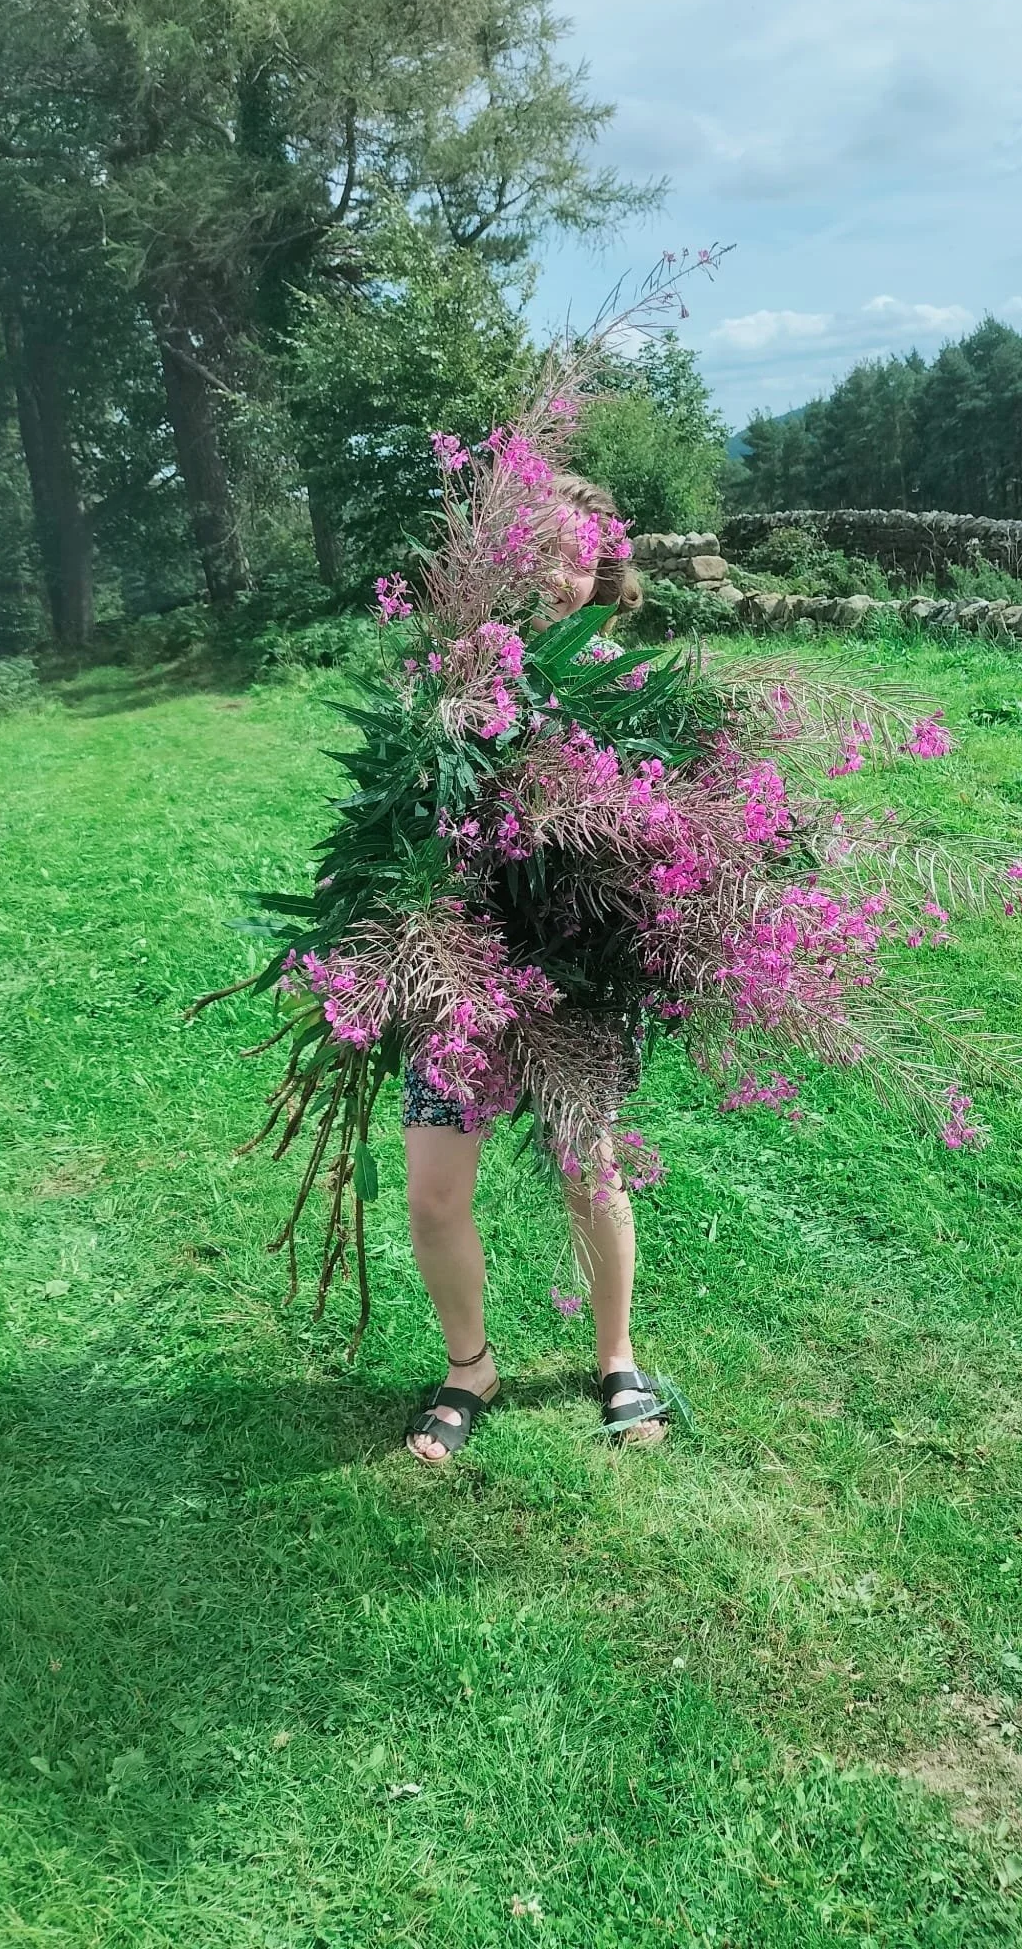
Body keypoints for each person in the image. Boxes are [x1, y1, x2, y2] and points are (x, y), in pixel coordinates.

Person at [403, 475, 670, 1463]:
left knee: (586, 1166)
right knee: (434, 1192)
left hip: (570, 971)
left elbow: (650, 838)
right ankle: (469, 1365)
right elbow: (411, 816)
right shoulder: (451, 675)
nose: (554, 575)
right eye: (534, 552)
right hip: (457, 964)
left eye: (574, 554)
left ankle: (615, 1354)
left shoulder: (619, 686)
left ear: (601, 571)